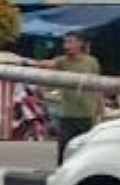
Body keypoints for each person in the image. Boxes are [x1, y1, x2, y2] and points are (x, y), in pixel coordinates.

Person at [23, 31, 101, 164]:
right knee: (64, 149)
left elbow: (99, 88)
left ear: (80, 43)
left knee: (86, 150)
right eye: (65, 42)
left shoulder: (92, 63)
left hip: (87, 115)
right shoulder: (63, 61)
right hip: (68, 114)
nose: (66, 46)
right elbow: (45, 64)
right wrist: (25, 62)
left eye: (70, 42)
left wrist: (100, 111)